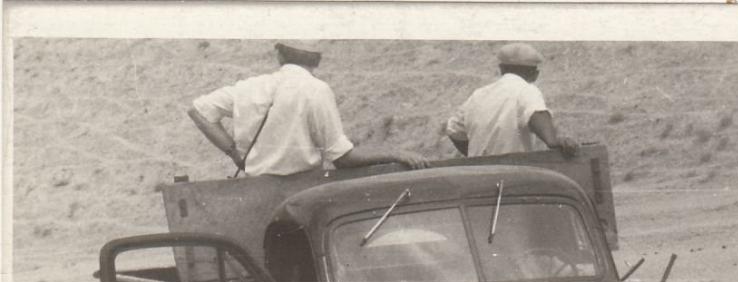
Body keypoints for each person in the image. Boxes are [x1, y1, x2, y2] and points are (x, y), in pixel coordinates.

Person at [188, 40, 430, 176]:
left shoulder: (250, 87)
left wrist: (235, 154)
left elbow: (198, 110)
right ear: (317, 59)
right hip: (301, 191)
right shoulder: (316, 90)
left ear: (279, 54)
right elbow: (343, 158)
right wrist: (396, 153)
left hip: (255, 189)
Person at [445, 43, 578, 158]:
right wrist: (553, 141)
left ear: (501, 69)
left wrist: (476, 156)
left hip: (480, 173)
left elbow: (454, 131)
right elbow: (537, 114)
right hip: (513, 174)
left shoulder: (476, 96)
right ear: (535, 74)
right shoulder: (526, 90)